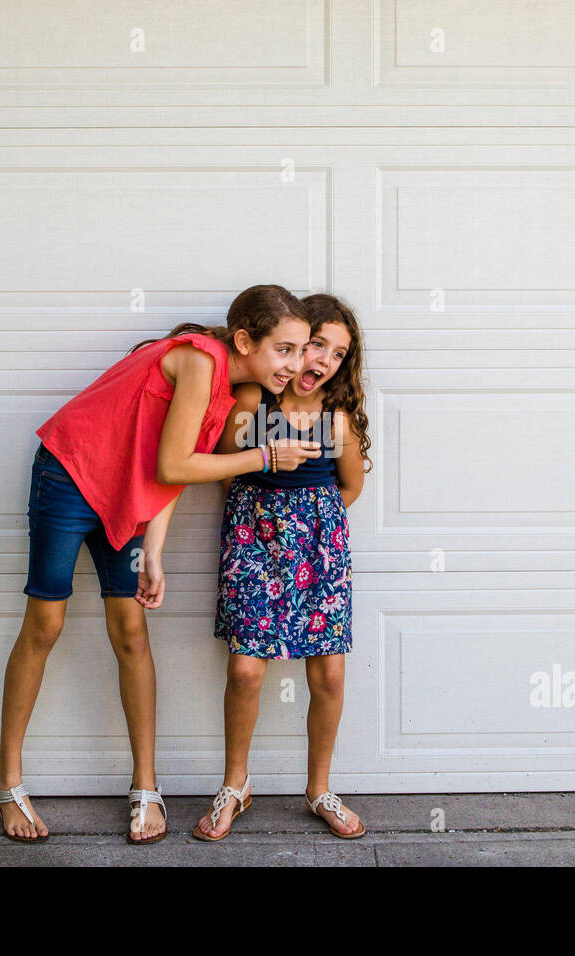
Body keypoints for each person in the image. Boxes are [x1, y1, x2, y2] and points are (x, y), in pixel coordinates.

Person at [0, 285, 323, 844]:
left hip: (126, 492)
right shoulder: (200, 361)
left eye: (300, 351)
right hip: (70, 476)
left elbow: (175, 473)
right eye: (284, 350)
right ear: (245, 341)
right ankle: (8, 779)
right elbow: (176, 463)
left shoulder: (229, 389)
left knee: (132, 631)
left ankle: (145, 786)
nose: (295, 364)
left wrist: (157, 554)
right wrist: (265, 455)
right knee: (45, 624)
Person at [192, 294, 374, 841]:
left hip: (319, 549)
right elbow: (225, 466)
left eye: (338, 354)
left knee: (330, 673)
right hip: (253, 542)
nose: (321, 360)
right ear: (291, 344)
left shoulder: (336, 419)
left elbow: (349, 489)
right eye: (315, 343)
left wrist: (310, 523)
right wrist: (261, 515)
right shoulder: (251, 399)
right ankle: (235, 785)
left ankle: (319, 788)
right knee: (246, 668)